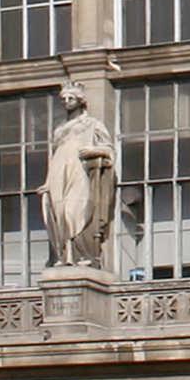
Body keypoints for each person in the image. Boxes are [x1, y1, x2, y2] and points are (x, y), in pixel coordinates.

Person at [38, 77, 118, 271]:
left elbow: (109, 150)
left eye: (70, 98)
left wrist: (93, 150)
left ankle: (84, 254)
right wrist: (48, 182)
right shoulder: (59, 131)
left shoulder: (92, 124)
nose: (66, 102)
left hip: (79, 169)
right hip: (59, 171)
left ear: (80, 101)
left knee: (73, 210)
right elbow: (54, 156)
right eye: (64, 99)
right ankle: (65, 255)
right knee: (57, 212)